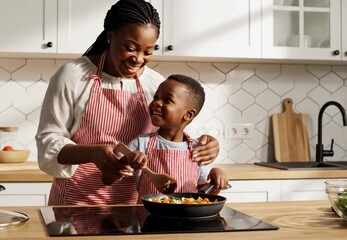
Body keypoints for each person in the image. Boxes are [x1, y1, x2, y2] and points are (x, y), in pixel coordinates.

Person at [35, 0, 220, 205]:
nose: (138, 59)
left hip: (138, 206)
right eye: (130, 48)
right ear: (110, 36)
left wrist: (208, 145)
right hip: (78, 202)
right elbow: (48, 142)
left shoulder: (156, 84)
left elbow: (175, 131)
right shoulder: (73, 76)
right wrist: (93, 152)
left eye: (148, 52)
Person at [116, 74, 229, 200]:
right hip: (148, 216)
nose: (157, 102)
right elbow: (113, 171)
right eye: (156, 97)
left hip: (187, 216)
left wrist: (216, 178)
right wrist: (127, 162)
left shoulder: (197, 149)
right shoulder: (141, 143)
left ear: (188, 115)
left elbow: (204, 194)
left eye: (167, 100)